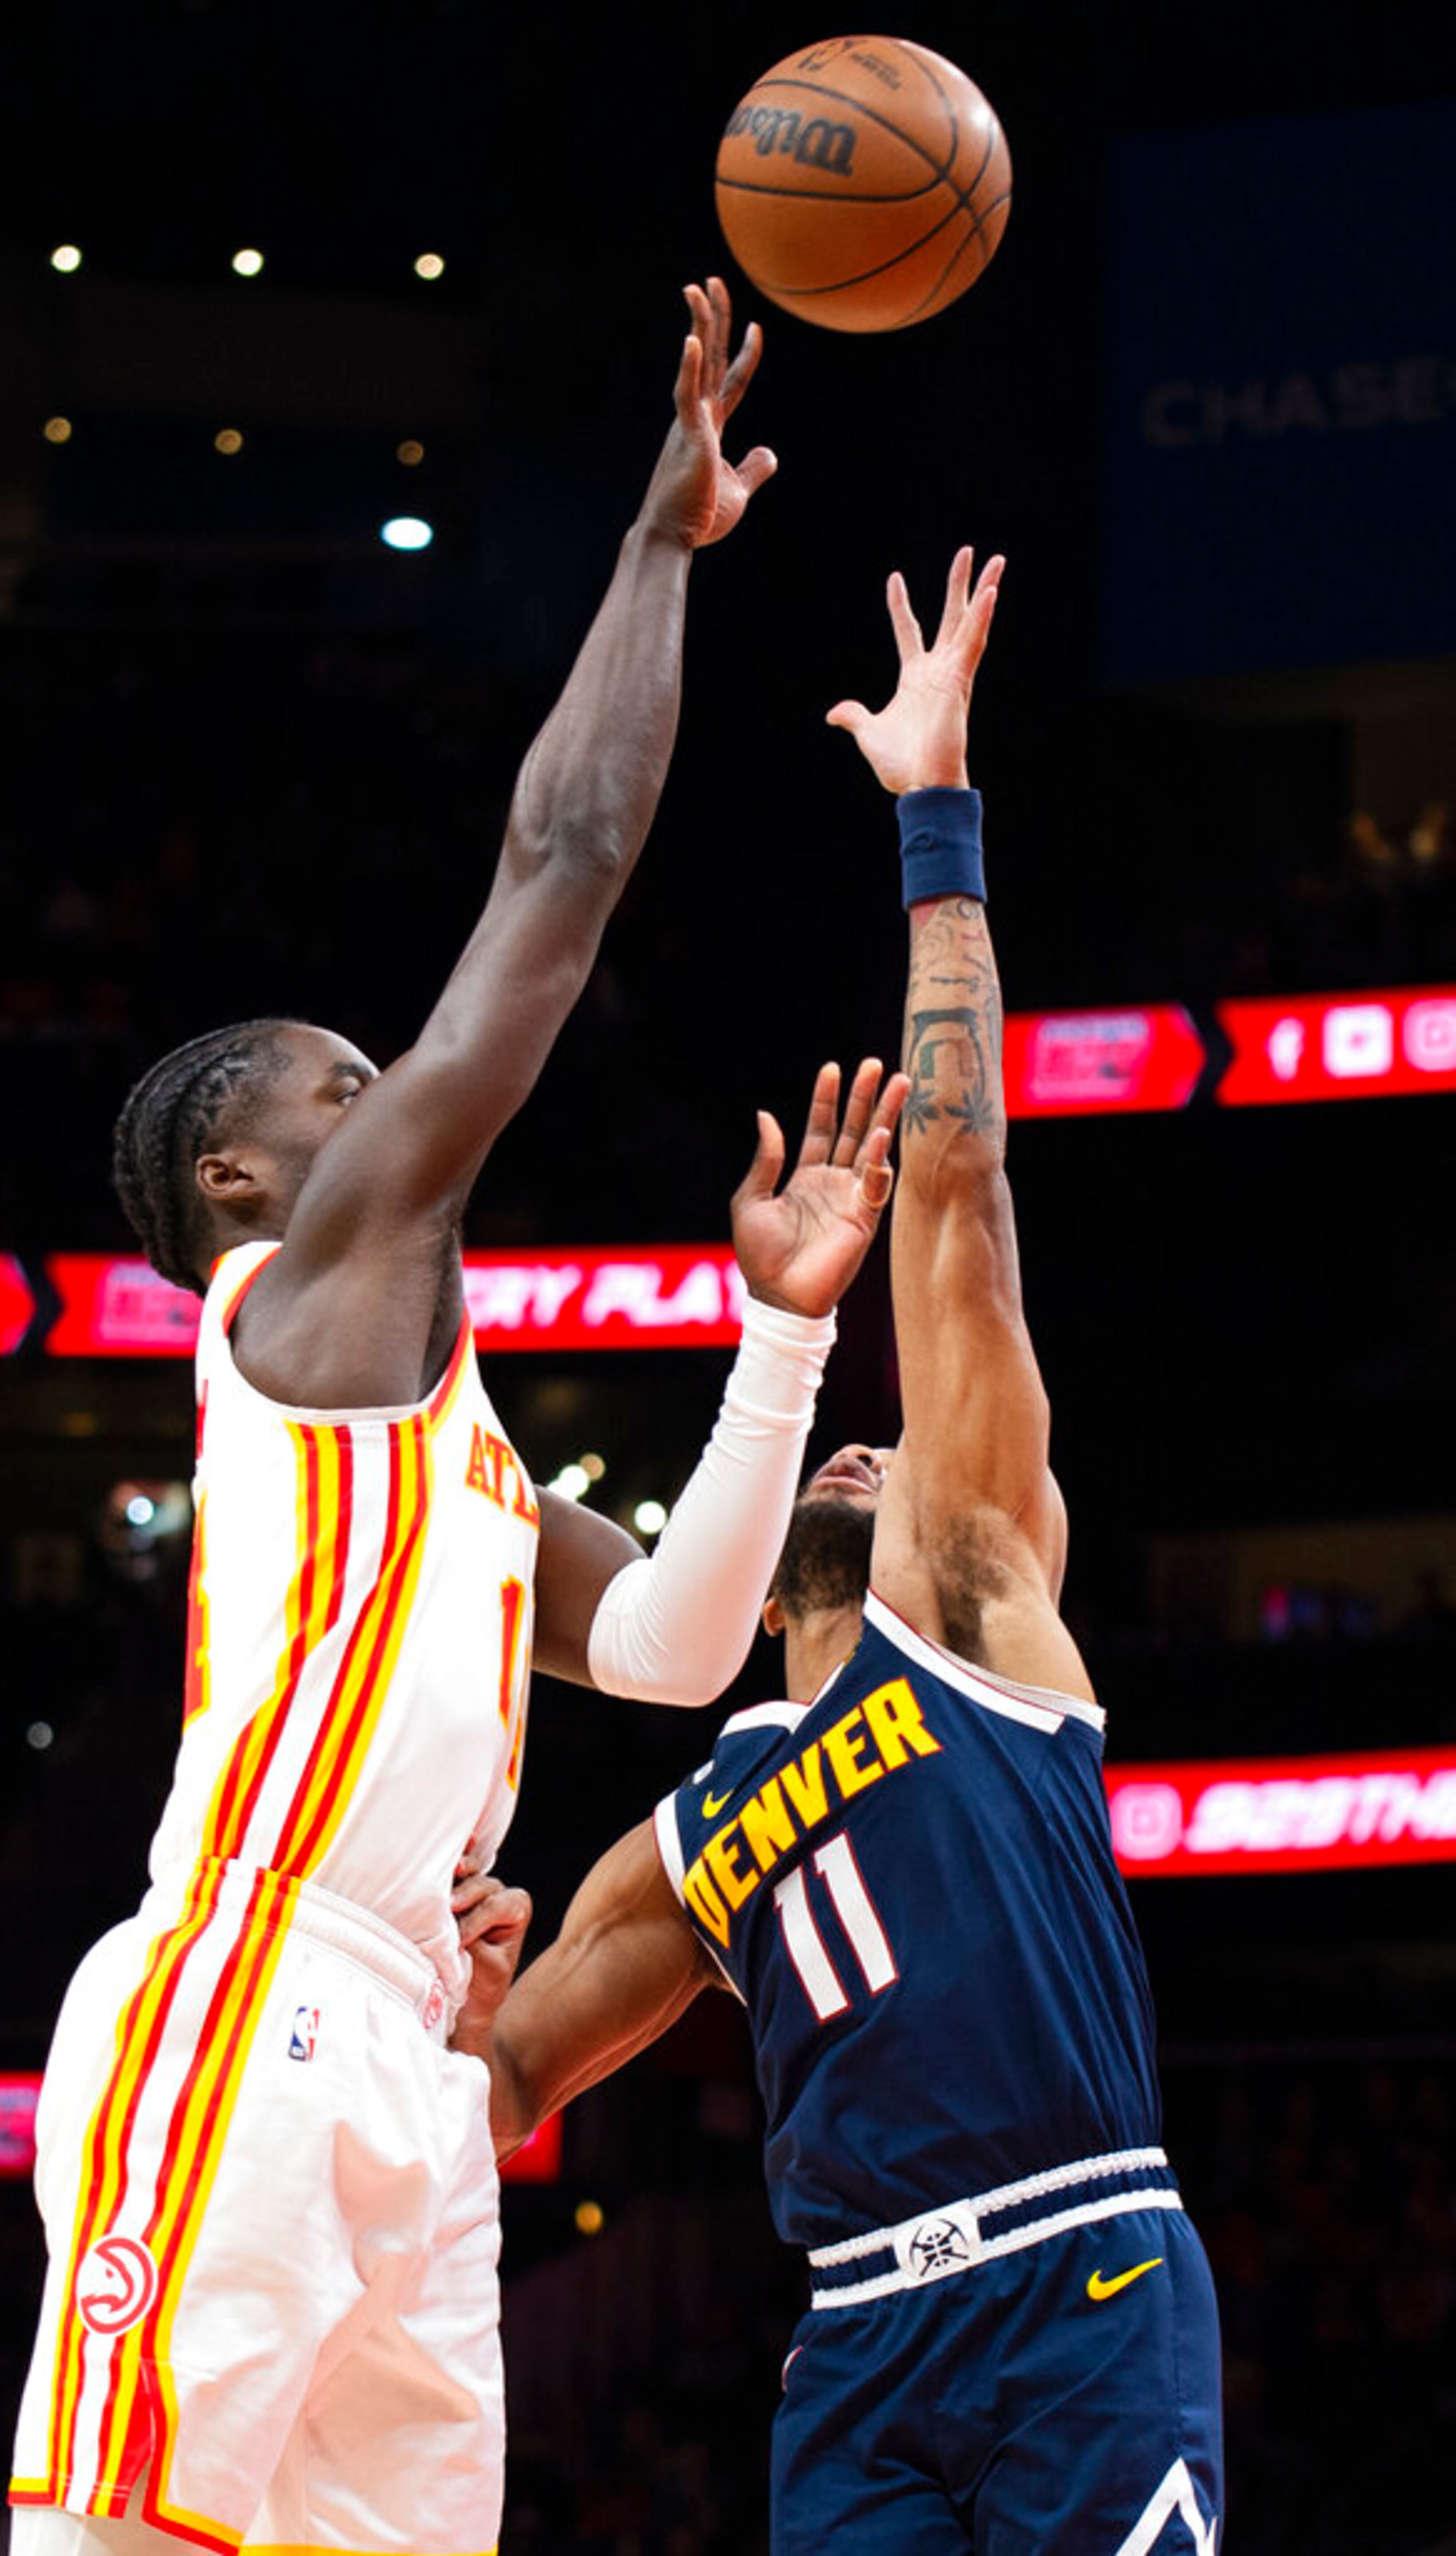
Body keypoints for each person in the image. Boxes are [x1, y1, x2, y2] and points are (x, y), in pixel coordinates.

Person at [8, 280, 911, 2556]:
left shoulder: (455, 1447)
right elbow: (559, 870)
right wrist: (659, 548)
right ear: (244, 1183)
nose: (398, 1092)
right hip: (246, 1990)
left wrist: (784, 1338)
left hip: (410, 2056)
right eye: (350, 1080)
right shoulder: (300, 1313)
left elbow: (684, 1651)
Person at [482, 551, 1226, 2555]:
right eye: (853, 1435)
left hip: (1081, 2277)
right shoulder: (697, 1830)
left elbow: (962, 1184)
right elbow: (505, 2088)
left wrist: (936, 815)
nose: (872, 1448)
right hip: (860, 2349)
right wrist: (400, 1974)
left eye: (882, 1441)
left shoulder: (975, 1601)